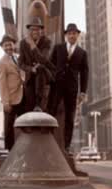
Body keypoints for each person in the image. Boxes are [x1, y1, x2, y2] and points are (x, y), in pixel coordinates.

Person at [47, 23, 89, 155]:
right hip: (56, 86)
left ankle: (66, 147)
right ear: (66, 35)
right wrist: (50, 81)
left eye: (74, 33)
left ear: (77, 35)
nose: (72, 35)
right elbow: (50, 65)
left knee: (70, 118)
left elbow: (84, 73)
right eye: (70, 33)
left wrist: (82, 91)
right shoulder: (58, 48)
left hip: (72, 89)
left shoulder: (82, 53)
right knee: (51, 112)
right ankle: (48, 142)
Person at [18, 17, 56, 112]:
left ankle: (39, 104)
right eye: (32, 29)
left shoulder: (47, 42)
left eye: (37, 29)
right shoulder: (23, 43)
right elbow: (20, 63)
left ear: (41, 31)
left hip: (44, 75)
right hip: (30, 75)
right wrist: (31, 69)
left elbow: (43, 59)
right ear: (29, 31)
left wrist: (33, 45)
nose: (35, 31)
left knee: (41, 68)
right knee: (29, 104)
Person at [0, 34, 25, 151]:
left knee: (24, 124)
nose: (9, 47)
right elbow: (1, 84)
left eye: (10, 44)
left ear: (14, 45)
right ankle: (8, 151)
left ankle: (22, 149)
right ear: (2, 47)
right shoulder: (1, 63)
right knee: (9, 127)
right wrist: (5, 102)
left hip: (23, 96)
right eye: (6, 45)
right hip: (10, 99)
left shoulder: (19, 58)